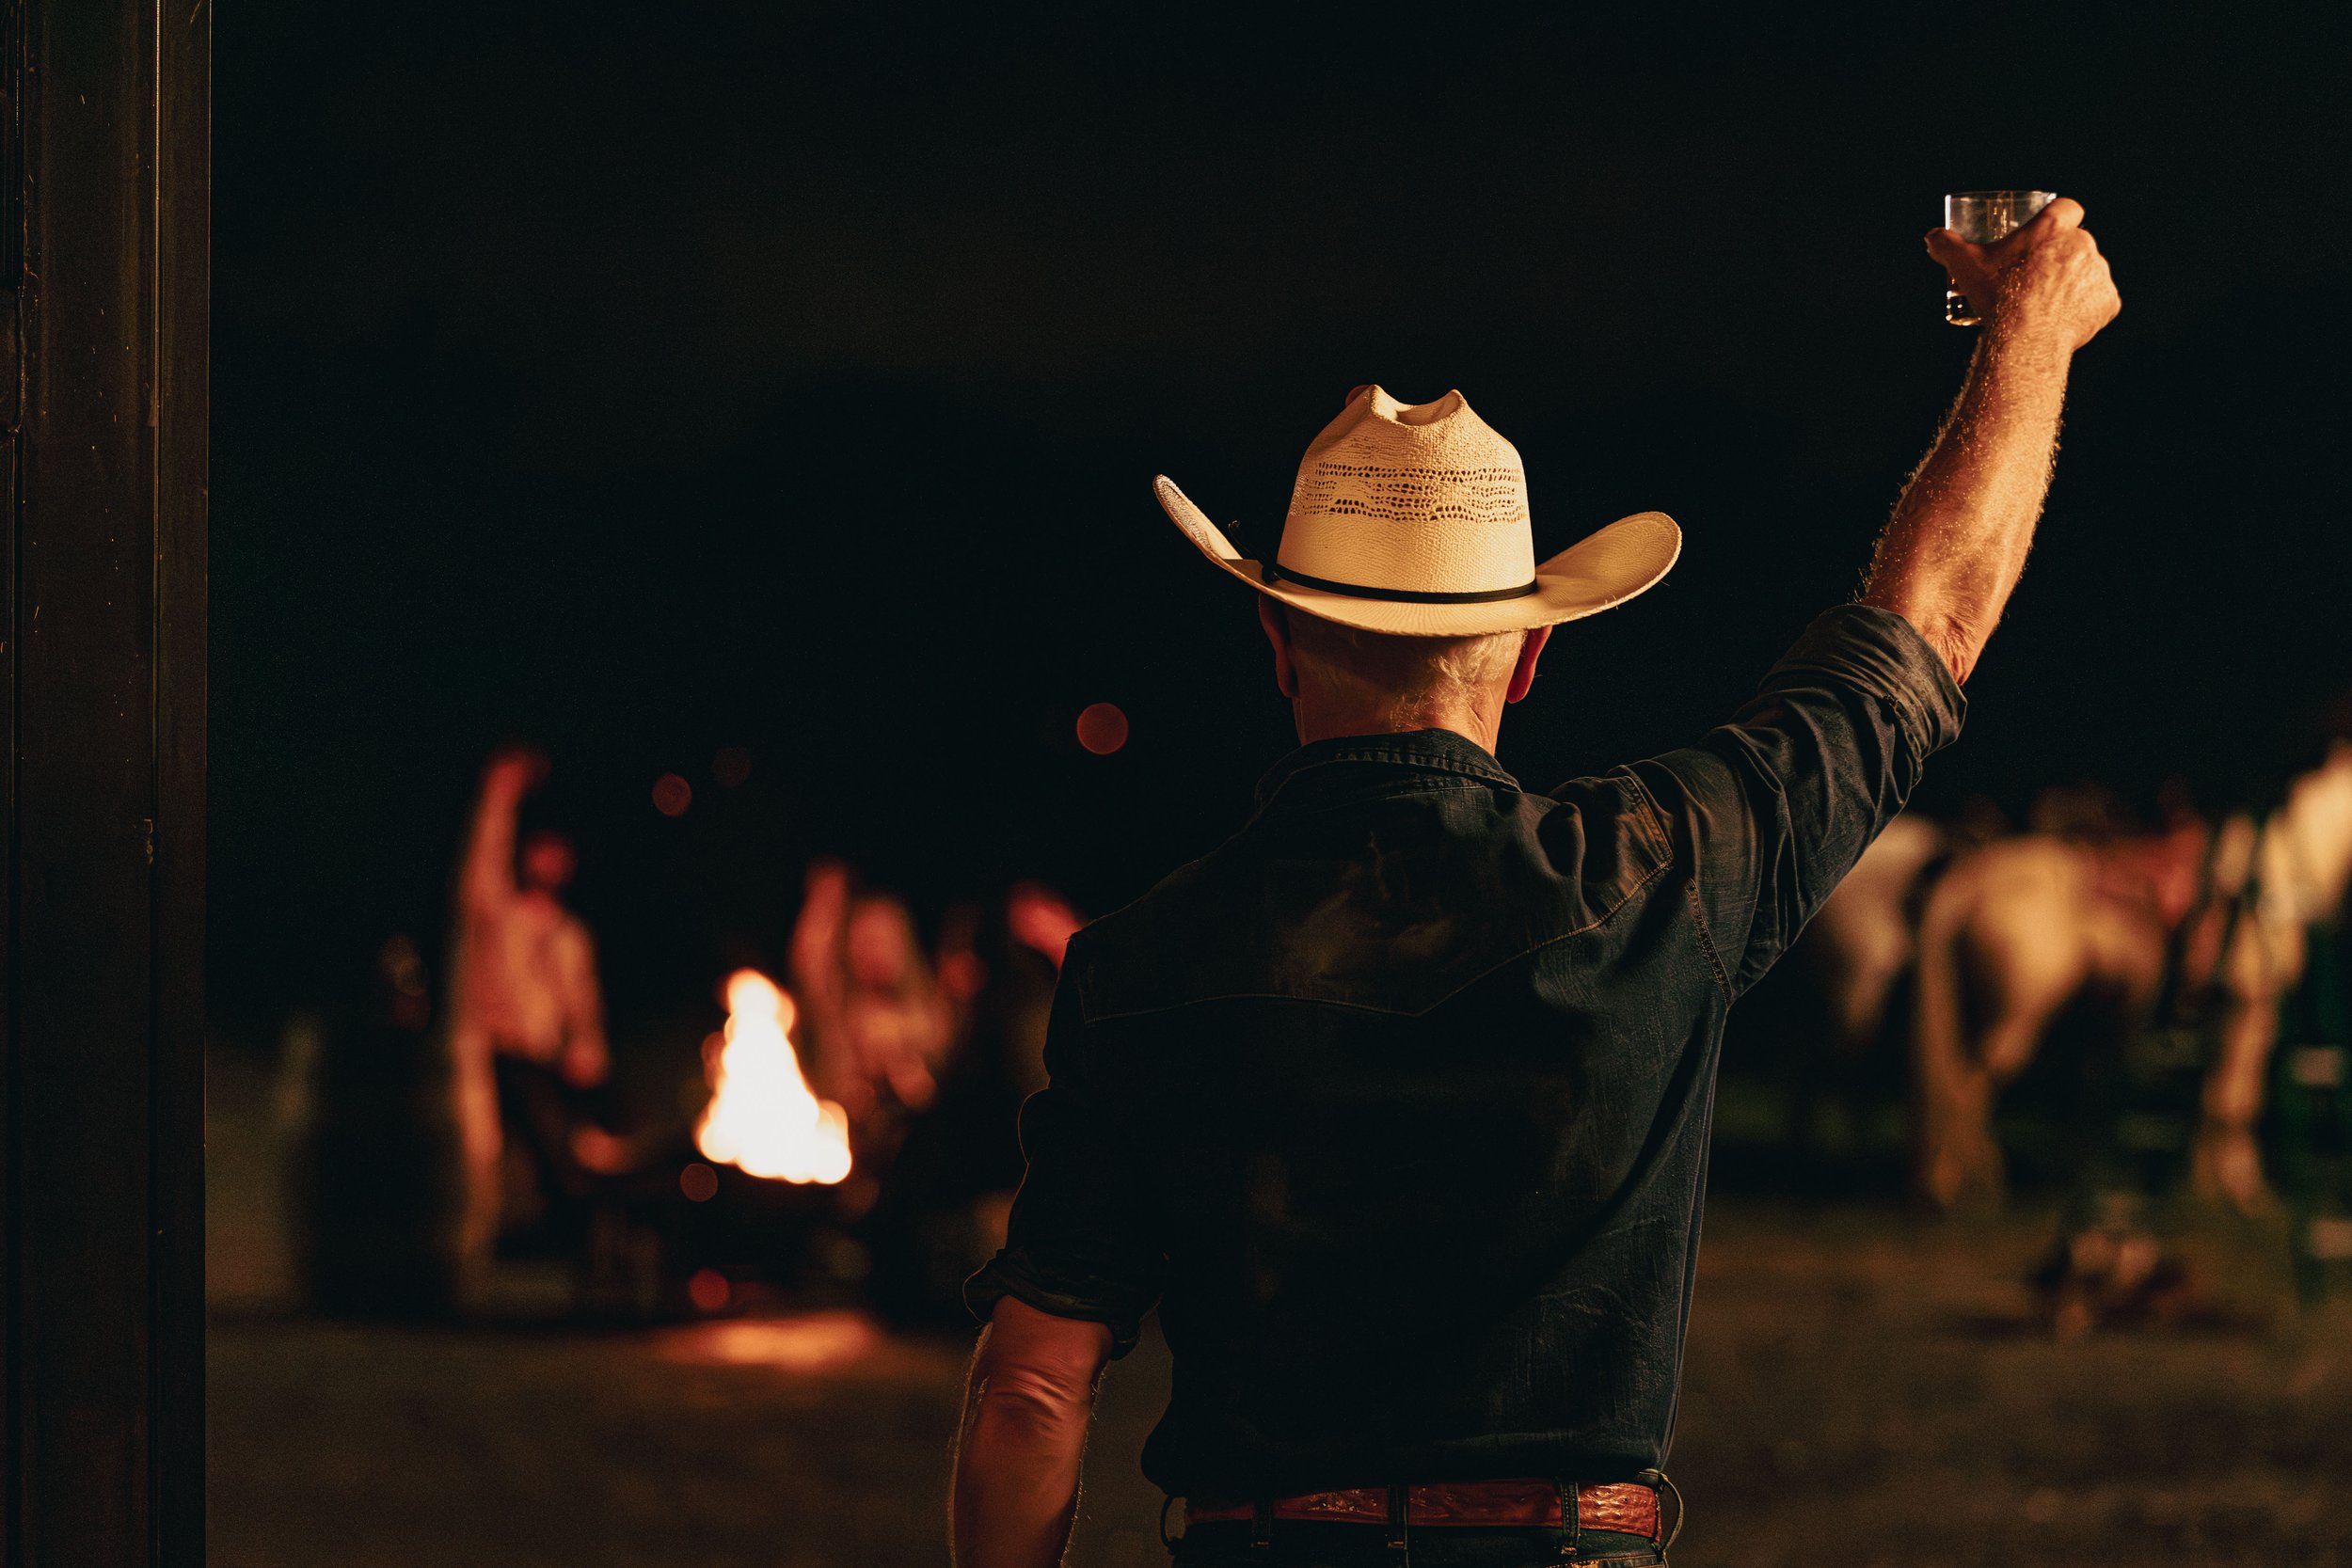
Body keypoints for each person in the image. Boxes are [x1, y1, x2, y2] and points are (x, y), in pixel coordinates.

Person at [952, 202, 2118, 1567]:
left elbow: (1031, 1384)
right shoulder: (1667, 869)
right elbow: (1931, 620)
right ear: (1526, 659)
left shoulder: (1141, 964)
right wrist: (2027, 336)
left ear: (1274, 638)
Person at [445, 747, 618, 1275]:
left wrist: (589, 1047)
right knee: (482, 1158)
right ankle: (473, 1252)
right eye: (540, 849)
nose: (548, 860)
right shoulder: (500, 914)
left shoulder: (569, 936)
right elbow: (481, 868)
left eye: (557, 852)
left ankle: (574, 1243)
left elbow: (582, 1006)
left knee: (567, 1150)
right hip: (492, 1053)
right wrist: (501, 794)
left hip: (542, 1061)